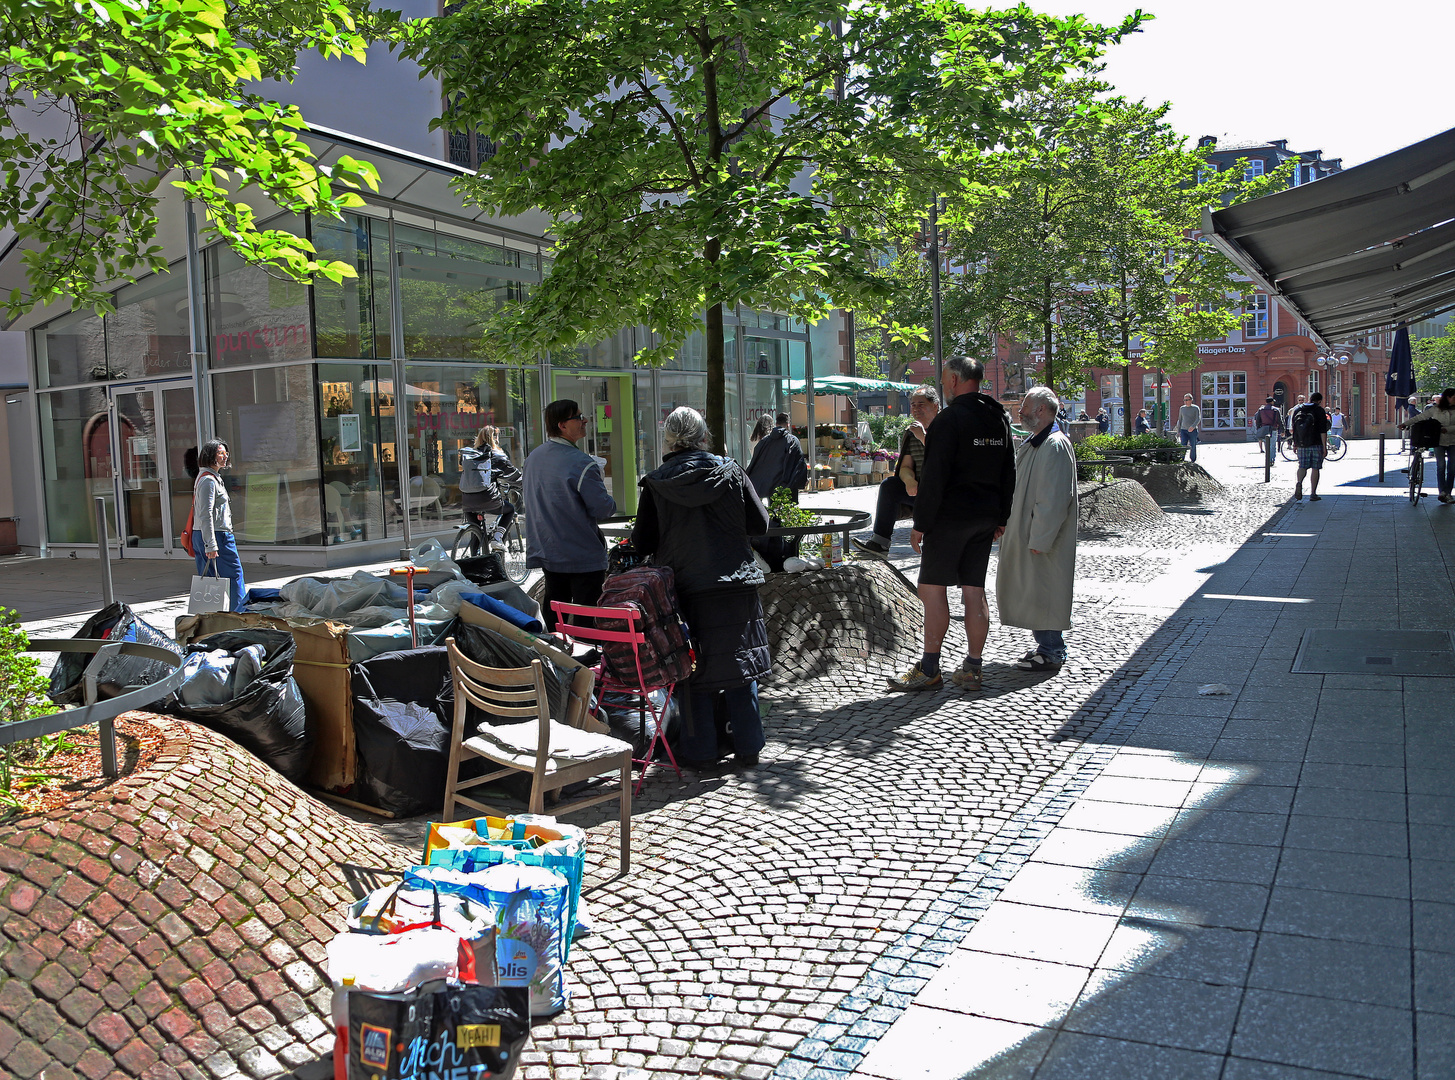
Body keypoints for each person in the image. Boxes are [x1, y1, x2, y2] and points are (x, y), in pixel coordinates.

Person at [631, 407, 770, 767]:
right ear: (704, 435)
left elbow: (643, 540)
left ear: (667, 439)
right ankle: (748, 746)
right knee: (741, 666)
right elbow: (760, 523)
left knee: (691, 669)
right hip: (735, 582)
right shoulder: (731, 470)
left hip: (686, 586)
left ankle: (702, 751)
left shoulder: (657, 482)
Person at [889, 356, 1015, 692]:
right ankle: (973, 667)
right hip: (985, 516)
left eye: (945, 379)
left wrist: (921, 523)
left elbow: (933, 477)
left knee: (932, 589)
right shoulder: (998, 418)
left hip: (950, 517)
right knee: (974, 590)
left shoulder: (949, 419)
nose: (943, 385)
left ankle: (930, 667)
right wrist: (1000, 517)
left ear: (956, 380)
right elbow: (1008, 471)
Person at [997, 387, 1078, 670]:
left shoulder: (1053, 445)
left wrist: (1040, 538)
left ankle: (1052, 650)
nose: (1019, 412)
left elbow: (1053, 499)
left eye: (1025, 407)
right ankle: (1046, 646)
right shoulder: (1037, 442)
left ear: (1041, 410)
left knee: (1045, 591)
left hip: (1040, 538)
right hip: (1027, 532)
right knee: (1035, 590)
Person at [524, 399, 617, 632]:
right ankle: (586, 664)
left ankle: (557, 660)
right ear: (562, 425)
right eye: (578, 416)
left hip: (548, 551)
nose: (585, 420)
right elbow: (604, 509)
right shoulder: (582, 463)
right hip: (581, 555)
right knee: (587, 623)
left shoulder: (532, 458)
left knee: (556, 612)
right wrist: (599, 478)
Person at [851, 387, 940, 556]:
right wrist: (909, 481)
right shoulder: (912, 432)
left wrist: (923, 437)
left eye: (921, 404)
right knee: (890, 486)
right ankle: (880, 543)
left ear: (935, 405)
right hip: (921, 491)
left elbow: (944, 456)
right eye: (913, 405)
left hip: (944, 494)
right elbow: (905, 466)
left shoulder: (945, 428)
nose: (915, 409)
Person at [191, 439, 246, 611]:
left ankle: (209, 617)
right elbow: (205, 513)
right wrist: (211, 544)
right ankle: (240, 614)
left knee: (208, 578)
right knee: (235, 576)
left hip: (205, 534)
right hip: (216, 535)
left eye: (226, 453)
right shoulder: (208, 480)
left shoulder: (209, 477)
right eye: (220, 453)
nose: (225, 456)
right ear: (210, 455)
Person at [458, 425, 521, 554]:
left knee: (476, 531)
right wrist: (525, 484)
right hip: (487, 498)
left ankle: (473, 562)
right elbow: (513, 475)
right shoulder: (497, 455)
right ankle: (497, 538)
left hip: (467, 500)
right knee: (510, 509)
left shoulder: (469, 455)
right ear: (495, 438)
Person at [1399, 388, 1455, 502]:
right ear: (1448, 397)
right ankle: (1442, 492)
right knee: (1441, 466)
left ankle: (1448, 492)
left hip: (1453, 441)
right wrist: (1405, 423)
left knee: (1452, 468)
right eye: (1454, 397)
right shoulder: (1435, 409)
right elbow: (1419, 417)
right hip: (1438, 440)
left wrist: (1447, 429)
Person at [745, 412, 807, 502]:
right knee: (786, 512)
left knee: (773, 510)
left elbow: (756, 461)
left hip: (770, 484)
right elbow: (799, 463)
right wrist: (801, 481)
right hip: (786, 485)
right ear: (788, 425)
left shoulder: (765, 441)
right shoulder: (792, 441)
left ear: (776, 423)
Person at [1288, 391, 1331, 502]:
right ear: (1319, 401)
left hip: (1302, 443)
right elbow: (1323, 430)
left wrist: (1295, 443)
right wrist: (1324, 446)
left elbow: (1295, 428)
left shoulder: (1298, 409)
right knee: (1315, 468)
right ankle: (1313, 493)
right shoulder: (1319, 410)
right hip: (1316, 443)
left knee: (1302, 466)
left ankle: (1299, 482)